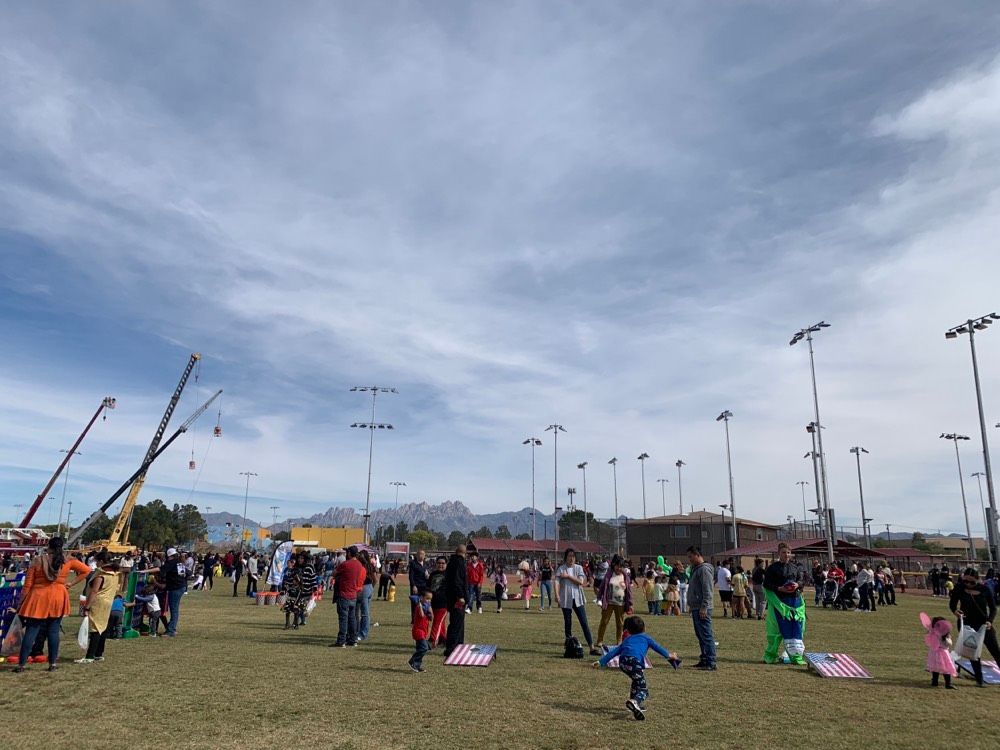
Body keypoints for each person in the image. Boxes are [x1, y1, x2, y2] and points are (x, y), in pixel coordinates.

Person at [10, 537, 90, 672]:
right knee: (53, 631)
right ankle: (52, 663)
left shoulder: (38, 560)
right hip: (58, 596)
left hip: (38, 596)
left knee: (31, 631)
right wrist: (71, 583)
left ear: (49, 546)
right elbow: (86, 570)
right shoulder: (67, 560)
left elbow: (28, 585)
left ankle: (21, 665)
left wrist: (20, 603)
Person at [593, 615, 678, 721]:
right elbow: (658, 648)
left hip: (623, 663)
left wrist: (601, 662)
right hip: (634, 663)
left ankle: (633, 703)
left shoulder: (627, 639)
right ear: (644, 628)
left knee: (636, 680)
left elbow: (614, 651)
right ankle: (635, 702)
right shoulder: (646, 637)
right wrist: (670, 656)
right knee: (643, 690)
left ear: (628, 630)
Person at [950, 568, 1000, 686]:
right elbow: (952, 604)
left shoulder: (985, 589)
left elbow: (993, 608)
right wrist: (955, 612)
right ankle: (979, 680)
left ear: (977, 580)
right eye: (966, 581)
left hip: (983, 624)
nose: (968, 584)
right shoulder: (960, 588)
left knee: (995, 650)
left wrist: (989, 621)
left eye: (971, 582)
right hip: (966, 624)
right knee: (973, 652)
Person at [763, 542, 807, 665]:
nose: (786, 555)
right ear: (779, 553)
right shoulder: (772, 568)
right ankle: (770, 655)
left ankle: (796, 656)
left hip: (795, 602)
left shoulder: (796, 567)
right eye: (783, 552)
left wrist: (797, 585)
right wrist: (779, 588)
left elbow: (802, 580)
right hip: (779, 603)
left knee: (796, 629)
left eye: (788, 552)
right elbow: (766, 584)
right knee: (776, 630)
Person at [75, 552, 120, 664]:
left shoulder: (101, 575)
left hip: (98, 603)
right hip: (108, 602)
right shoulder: (115, 574)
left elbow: (94, 591)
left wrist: (87, 606)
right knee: (102, 628)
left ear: (101, 561)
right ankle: (99, 654)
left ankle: (90, 656)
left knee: (95, 629)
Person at [555, 548, 600, 656]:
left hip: (578, 599)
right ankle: (569, 647)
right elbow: (556, 582)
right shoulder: (561, 569)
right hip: (566, 598)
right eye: (569, 556)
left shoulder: (579, 568)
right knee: (568, 623)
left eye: (573, 556)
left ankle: (591, 647)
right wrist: (557, 595)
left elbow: (580, 582)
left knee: (584, 622)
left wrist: (568, 576)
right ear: (566, 557)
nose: (571, 558)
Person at [686, 546, 716, 670]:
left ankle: (711, 661)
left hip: (702, 608)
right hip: (696, 607)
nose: (689, 560)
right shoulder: (695, 569)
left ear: (697, 554)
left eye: (690, 556)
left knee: (706, 634)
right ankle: (704, 658)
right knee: (700, 635)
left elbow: (707, 590)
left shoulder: (704, 570)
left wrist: (704, 607)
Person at [331, 546, 366, 648]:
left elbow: (334, 573)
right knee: (352, 619)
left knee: (343, 619)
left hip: (344, 594)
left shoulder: (345, 564)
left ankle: (341, 640)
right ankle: (353, 639)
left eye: (347, 552)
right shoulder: (359, 565)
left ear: (349, 553)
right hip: (353, 595)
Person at [596, 555, 632, 647]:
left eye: (621, 566)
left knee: (620, 624)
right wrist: (599, 598)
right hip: (608, 603)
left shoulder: (625, 576)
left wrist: (630, 603)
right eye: (617, 565)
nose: (619, 568)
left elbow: (629, 591)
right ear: (613, 565)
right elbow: (602, 587)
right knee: (604, 621)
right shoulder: (608, 575)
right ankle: (599, 640)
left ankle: (619, 641)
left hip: (621, 604)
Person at [442, 545, 468, 658]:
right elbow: (457, 581)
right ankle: (451, 648)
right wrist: (460, 596)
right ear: (464, 553)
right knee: (456, 624)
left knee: (459, 623)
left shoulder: (452, 562)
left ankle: (459, 645)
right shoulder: (459, 563)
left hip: (451, 597)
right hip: (457, 599)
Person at [922, 614, 957, 689]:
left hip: (934, 652)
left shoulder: (933, 633)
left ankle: (935, 681)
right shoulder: (944, 635)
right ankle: (948, 684)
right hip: (943, 653)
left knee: (935, 668)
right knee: (946, 668)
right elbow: (948, 644)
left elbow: (930, 641)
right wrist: (948, 638)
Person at [408, 589, 433, 673]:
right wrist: (420, 605)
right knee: (424, 648)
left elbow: (431, 617)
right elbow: (421, 615)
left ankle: (417, 665)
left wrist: (430, 609)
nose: (429, 601)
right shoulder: (419, 607)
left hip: (423, 631)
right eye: (427, 598)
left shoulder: (427, 607)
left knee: (420, 648)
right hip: (418, 631)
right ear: (421, 598)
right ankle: (413, 661)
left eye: (430, 599)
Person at [428, 556, 449, 646]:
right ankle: (443, 639)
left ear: (446, 564)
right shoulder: (433, 574)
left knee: (437, 621)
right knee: (441, 622)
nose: (440, 565)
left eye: (443, 563)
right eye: (439, 563)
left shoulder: (449, 575)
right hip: (434, 602)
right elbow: (428, 586)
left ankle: (432, 640)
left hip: (444, 602)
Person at [356, 550, 377, 641]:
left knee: (362, 613)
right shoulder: (370, 565)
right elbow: (375, 580)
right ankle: (363, 632)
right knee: (365, 613)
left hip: (363, 588)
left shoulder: (361, 566)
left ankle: (361, 633)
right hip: (369, 587)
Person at [409, 549, 429, 623]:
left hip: (424, 586)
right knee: (415, 603)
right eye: (420, 554)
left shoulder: (426, 564)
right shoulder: (413, 563)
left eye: (423, 554)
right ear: (417, 555)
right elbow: (411, 576)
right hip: (416, 586)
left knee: (424, 602)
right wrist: (413, 585)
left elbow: (427, 575)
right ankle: (414, 620)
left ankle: (423, 618)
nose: (421, 555)